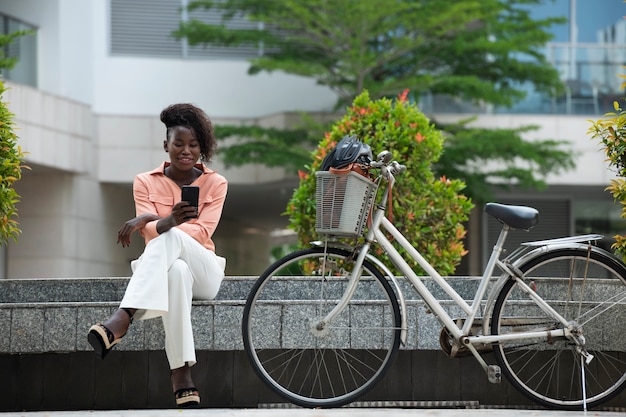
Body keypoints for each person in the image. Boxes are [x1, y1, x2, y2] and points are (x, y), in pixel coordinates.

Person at [87, 103, 228, 408]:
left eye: (193, 145)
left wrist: (154, 221)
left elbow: (202, 233)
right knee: (176, 271)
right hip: (168, 271)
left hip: (206, 271)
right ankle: (182, 376)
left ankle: (123, 317)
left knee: (174, 239)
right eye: (178, 144)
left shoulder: (216, 183)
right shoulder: (145, 181)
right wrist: (163, 221)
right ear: (166, 145)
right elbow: (151, 235)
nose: (185, 151)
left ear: (201, 147)